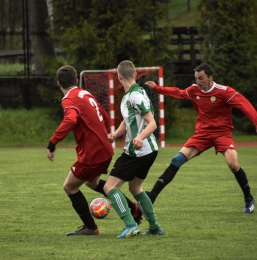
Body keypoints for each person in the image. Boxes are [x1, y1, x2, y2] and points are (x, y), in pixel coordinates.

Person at [145, 63, 256, 214]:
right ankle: (151, 197)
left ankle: (248, 198)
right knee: (177, 160)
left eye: (201, 78)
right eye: (196, 78)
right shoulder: (193, 90)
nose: (198, 81)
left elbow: (245, 105)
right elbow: (178, 92)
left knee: (233, 165)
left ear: (210, 77)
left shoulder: (224, 92)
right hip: (202, 134)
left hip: (222, 134)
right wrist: (158, 88)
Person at [46, 65, 141, 236]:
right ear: (76, 80)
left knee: (69, 187)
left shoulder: (69, 99)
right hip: (104, 148)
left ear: (58, 83)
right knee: (92, 182)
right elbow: (104, 116)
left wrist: (53, 142)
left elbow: (70, 119)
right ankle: (133, 208)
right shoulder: (85, 94)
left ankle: (91, 227)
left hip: (93, 152)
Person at [103, 60, 164, 238]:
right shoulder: (133, 94)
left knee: (109, 187)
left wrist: (139, 137)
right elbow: (127, 121)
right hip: (148, 150)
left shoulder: (134, 96)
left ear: (119, 76)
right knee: (135, 187)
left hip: (137, 151)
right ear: (135, 75)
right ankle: (154, 227)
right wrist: (116, 134)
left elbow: (152, 124)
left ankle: (130, 224)